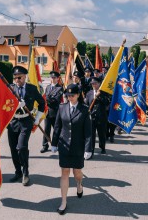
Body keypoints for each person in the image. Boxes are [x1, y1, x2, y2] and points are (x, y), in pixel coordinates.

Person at [51, 84, 92, 215]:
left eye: (72, 95)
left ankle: (79, 185)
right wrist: (53, 143)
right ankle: (64, 202)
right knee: (64, 172)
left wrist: (88, 149)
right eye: (67, 95)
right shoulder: (62, 107)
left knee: (77, 173)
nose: (70, 97)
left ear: (78, 95)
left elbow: (88, 132)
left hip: (78, 147)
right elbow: (57, 126)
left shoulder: (85, 110)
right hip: (64, 146)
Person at [8, 66, 45, 186]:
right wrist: (15, 106)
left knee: (22, 147)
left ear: (25, 76)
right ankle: (18, 171)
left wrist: (38, 118)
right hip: (13, 122)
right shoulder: (10, 88)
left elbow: (42, 103)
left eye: (19, 77)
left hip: (25, 122)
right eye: (15, 78)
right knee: (13, 149)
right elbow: (3, 104)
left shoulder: (32, 88)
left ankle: (25, 172)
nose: (16, 80)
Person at [84, 77, 111, 155]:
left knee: (101, 134)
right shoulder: (89, 93)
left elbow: (107, 103)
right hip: (91, 117)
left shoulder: (104, 92)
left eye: (95, 83)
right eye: (92, 84)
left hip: (101, 117)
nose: (94, 85)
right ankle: (91, 149)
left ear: (99, 84)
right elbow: (86, 104)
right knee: (91, 134)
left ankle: (102, 147)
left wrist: (99, 96)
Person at [41, 71, 64, 153]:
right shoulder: (47, 87)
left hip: (55, 112)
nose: (53, 79)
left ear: (58, 78)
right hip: (47, 112)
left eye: (54, 78)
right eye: (52, 77)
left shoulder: (60, 88)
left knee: (57, 130)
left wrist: (47, 98)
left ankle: (57, 144)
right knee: (46, 129)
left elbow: (56, 100)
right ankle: (45, 145)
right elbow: (47, 97)